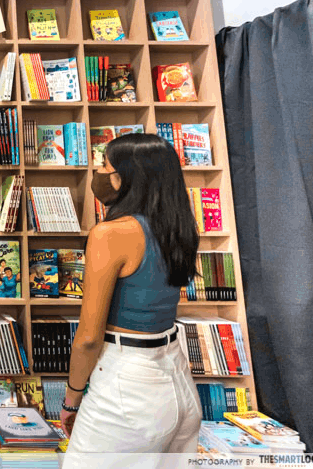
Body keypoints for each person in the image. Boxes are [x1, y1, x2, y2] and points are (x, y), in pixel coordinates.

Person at [61, 134, 202, 462]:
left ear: (125, 177)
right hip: (177, 376)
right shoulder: (178, 228)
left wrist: (71, 400)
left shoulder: (110, 234)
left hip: (127, 387)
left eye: (104, 166)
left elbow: (88, 338)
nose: (98, 173)